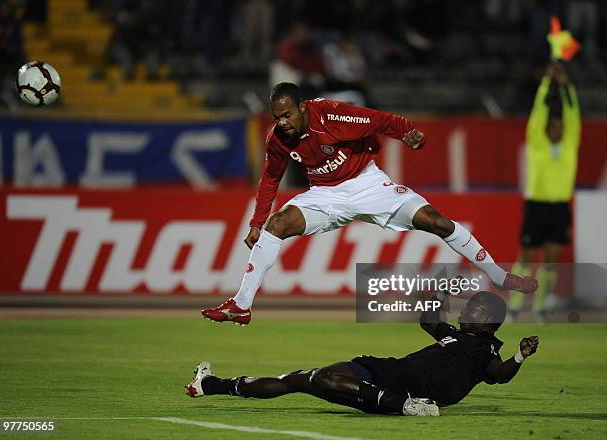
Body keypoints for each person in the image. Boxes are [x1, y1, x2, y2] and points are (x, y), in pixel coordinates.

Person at [202, 82, 537, 325]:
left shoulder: (333, 116)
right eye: (277, 117)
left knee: (437, 222)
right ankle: (242, 304)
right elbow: (270, 178)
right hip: (325, 194)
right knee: (276, 226)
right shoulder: (277, 139)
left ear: (302, 108)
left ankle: (499, 275)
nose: (282, 122)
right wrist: (257, 221)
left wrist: (408, 132)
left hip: (368, 184)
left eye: (287, 115)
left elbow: (379, 120)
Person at [187, 291, 540, 416]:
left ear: (490, 321)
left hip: (412, 387)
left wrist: (521, 356)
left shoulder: (485, 348)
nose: (465, 312)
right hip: (389, 373)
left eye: (473, 309)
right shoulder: (456, 335)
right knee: (299, 378)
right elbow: (428, 320)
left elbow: (498, 374)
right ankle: (211, 385)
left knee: (317, 378)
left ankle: (404, 406)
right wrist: (440, 299)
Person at [508, 62, 580, 322]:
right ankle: (515, 307)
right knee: (526, 257)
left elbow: (572, 115)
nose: (558, 128)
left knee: (550, 260)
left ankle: (539, 309)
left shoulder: (570, 144)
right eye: (554, 126)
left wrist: (566, 86)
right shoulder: (537, 143)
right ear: (547, 128)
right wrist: (548, 85)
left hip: (559, 206)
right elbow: (539, 114)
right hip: (536, 204)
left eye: (560, 126)